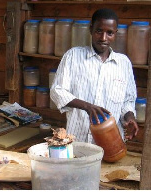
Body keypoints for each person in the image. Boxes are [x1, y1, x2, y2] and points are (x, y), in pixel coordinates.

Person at [50, 8, 139, 143]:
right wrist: (87, 106)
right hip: (78, 141)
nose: (103, 38)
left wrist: (130, 117)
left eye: (109, 33)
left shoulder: (123, 63)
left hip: (111, 143)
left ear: (115, 33)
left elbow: (128, 101)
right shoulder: (73, 56)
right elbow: (57, 91)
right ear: (91, 29)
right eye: (99, 31)